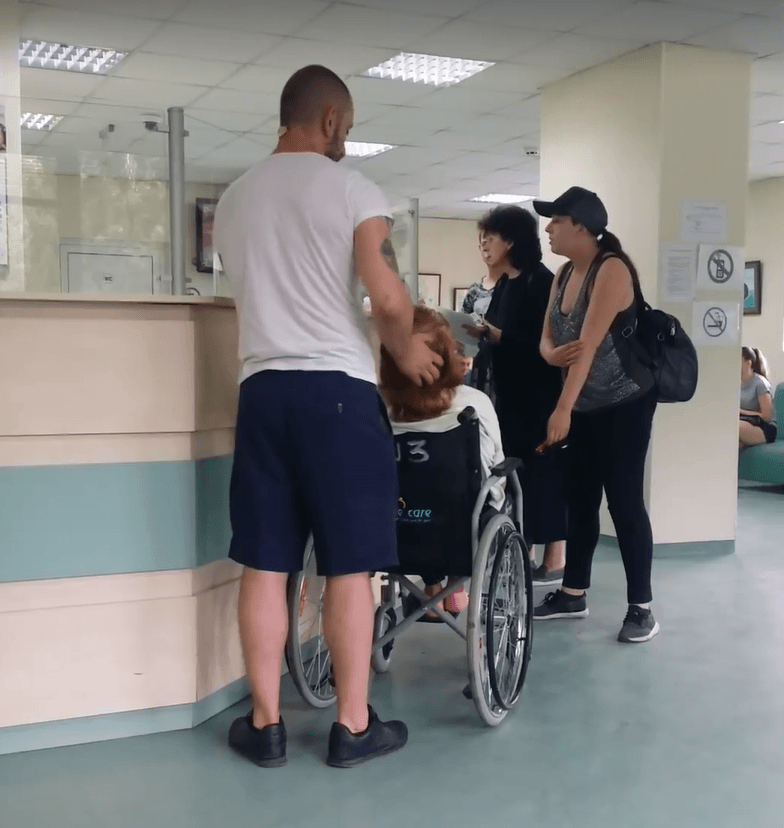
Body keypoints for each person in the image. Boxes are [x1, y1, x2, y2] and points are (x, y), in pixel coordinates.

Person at [214, 65, 443, 769]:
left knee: (265, 562)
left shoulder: (233, 197)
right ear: (332, 120)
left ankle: (266, 725)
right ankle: (351, 726)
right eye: (348, 125)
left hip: (262, 392)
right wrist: (405, 351)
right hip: (339, 396)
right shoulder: (352, 189)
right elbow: (389, 298)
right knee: (348, 567)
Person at [531, 186, 659, 644]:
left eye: (557, 221)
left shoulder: (612, 270)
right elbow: (547, 337)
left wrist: (562, 409)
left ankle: (641, 608)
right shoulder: (564, 273)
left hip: (624, 403)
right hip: (583, 401)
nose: (548, 228)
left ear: (582, 227)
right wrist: (549, 356)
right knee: (581, 499)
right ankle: (573, 593)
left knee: (623, 502)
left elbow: (585, 348)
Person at [464, 206, 571, 586]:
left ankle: (555, 561)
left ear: (510, 241)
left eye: (490, 238)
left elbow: (546, 343)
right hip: (508, 397)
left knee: (545, 477)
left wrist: (498, 336)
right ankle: (524, 553)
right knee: (518, 477)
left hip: (539, 399)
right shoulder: (507, 284)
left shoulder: (541, 283)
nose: (484, 245)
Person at [380, 306, 505, 619]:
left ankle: (433, 591)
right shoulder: (474, 404)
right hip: (460, 534)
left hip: (391, 532)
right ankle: (454, 591)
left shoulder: (377, 410)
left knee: (418, 497)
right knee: (469, 499)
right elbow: (496, 470)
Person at [740, 346, 778, 447]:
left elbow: (767, 416)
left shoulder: (760, 383)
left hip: (765, 428)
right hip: (746, 422)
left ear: (748, 363)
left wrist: (740, 411)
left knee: (734, 425)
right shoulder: (735, 384)